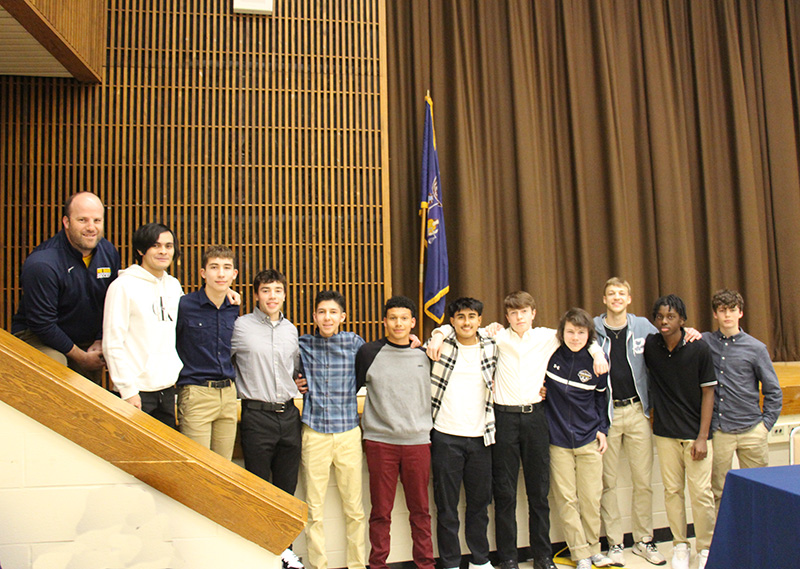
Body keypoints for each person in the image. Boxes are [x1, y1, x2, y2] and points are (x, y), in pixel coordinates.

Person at [427, 291, 608, 569]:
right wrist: (438, 333)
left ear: (533, 313)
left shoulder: (549, 337)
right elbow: (458, 327)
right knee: (505, 494)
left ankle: (543, 556)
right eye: (513, 313)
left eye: (524, 312)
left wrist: (596, 353)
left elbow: (581, 335)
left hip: (536, 418)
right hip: (504, 421)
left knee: (538, 493)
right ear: (506, 316)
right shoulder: (494, 337)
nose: (519, 317)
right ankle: (508, 557)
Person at [231, 269, 304, 569]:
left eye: (277, 290)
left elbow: (295, 368)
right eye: (266, 290)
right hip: (256, 415)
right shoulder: (240, 327)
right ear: (256, 295)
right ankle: (263, 555)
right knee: (260, 490)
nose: (272, 296)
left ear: (285, 294)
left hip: (289, 415)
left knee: (287, 492)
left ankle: (285, 553)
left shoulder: (291, 330)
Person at [356, 296, 434, 569]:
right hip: (380, 443)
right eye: (393, 318)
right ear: (385, 321)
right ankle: (377, 564)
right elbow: (350, 388)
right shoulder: (368, 353)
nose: (398, 323)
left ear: (413, 322)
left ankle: (425, 564)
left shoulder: (426, 354)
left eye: (404, 318)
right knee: (380, 512)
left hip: (417, 442)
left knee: (421, 512)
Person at [594, 278, 666, 566]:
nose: (616, 297)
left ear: (629, 298)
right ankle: (614, 543)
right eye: (611, 293)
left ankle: (644, 540)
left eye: (621, 293)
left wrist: (692, 334)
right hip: (607, 415)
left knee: (643, 481)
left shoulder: (643, 328)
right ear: (604, 299)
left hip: (637, 413)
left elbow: (669, 342)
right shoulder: (593, 330)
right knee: (608, 483)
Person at [12, 191, 120, 383]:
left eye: (97, 220)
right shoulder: (42, 263)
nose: (91, 227)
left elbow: (111, 301)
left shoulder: (109, 251)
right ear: (66, 222)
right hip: (40, 337)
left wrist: (100, 339)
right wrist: (80, 357)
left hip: (86, 339)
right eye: (82, 220)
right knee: (57, 367)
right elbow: (42, 324)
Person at [644, 295, 716, 569]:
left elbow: (708, 392)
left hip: (695, 435)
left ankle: (706, 548)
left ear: (682, 320)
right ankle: (680, 546)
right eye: (660, 316)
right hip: (665, 433)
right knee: (672, 492)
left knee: (700, 494)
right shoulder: (651, 345)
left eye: (671, 316)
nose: (664, 321)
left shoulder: (699, 348)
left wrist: (702, 437)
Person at [296, 291, 366, 569]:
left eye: (333, 312)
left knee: (355, 510)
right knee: (314, 509)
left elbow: (384, 357)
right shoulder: (302, 344)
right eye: (322, 312)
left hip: (349, 431)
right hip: (314, 432)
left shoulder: (355, 344)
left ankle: (357, 564)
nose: (327, 317)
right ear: (314, 316)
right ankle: (319, 565)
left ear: (342, 317)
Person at [429, 297, 498, 569]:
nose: (466, 322)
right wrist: (438, 333)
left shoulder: (493, 346)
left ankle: (480, 561)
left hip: (482, 437)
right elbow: (436, 336)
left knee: (479, 505)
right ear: (452, 321)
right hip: (445, 436)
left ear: (479, 320)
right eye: (460, 317)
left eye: (472, 316)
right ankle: (451, 563)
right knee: (446, 508)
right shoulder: (439, 346)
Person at [702, 289, 782, 514]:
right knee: (718, 489)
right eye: (722, 310)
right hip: (720, 431)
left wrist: (765, 426)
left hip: (751, 430)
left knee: (758, 488)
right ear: (716, 314)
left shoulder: (756, 348)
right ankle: (724, 541)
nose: (728, 315)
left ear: (741, 313)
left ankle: (758, 537)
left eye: (732, 310)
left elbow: (773, 391)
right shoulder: (705, 342)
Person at [544, 308, 613, 569]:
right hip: (557, 441)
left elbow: (602, 399)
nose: (575, 337)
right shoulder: (549, 356)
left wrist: (602, 429)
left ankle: (594, 549)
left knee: (591, 497)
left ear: (589, 335)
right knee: (567, 499)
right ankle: (579, 552)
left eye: (581, 332)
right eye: (570, 332)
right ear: (562, 333)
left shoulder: (598, 362)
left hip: (588, 439)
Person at [103, 222, 184, 428]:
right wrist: (128, 391)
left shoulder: (173, 285)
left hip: (167, 391)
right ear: (141, 250)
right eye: (156, 246)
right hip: (136, 394)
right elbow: (112, 344)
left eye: (168, 246)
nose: (163, 251)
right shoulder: (122, 286)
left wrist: (222, 294)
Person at [175, 246, 240, 459]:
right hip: (197, 393)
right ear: (203, 273)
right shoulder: (184, 305)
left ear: (234, 274)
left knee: (224, 466)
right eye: (214, 267)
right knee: (197, 466)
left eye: (226, 268)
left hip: (228, 395)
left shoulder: (234, 307)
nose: (221, 273)